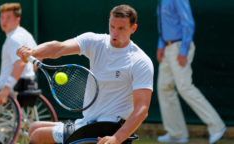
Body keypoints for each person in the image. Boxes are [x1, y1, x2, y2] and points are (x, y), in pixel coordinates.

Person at [17, 4, 154, 144]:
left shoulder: (140, 61)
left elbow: (142, 109)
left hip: (109, 127)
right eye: (112, 26)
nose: (115, 32)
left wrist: (116, 138)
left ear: (133, 28)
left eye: (121, 28)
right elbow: (59, 48)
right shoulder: (95, 42)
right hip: (88, 123)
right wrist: (33, 52)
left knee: (38, 136)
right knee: (34, 127)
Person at [156, 0, 226, 143]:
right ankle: (177, 134)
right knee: (164, 88)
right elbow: (165, 24)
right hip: (168, 48)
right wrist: (161, 45)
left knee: (185, 87)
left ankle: (217, 126)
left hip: (179, 47)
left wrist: (184, 49)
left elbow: (187, 22)